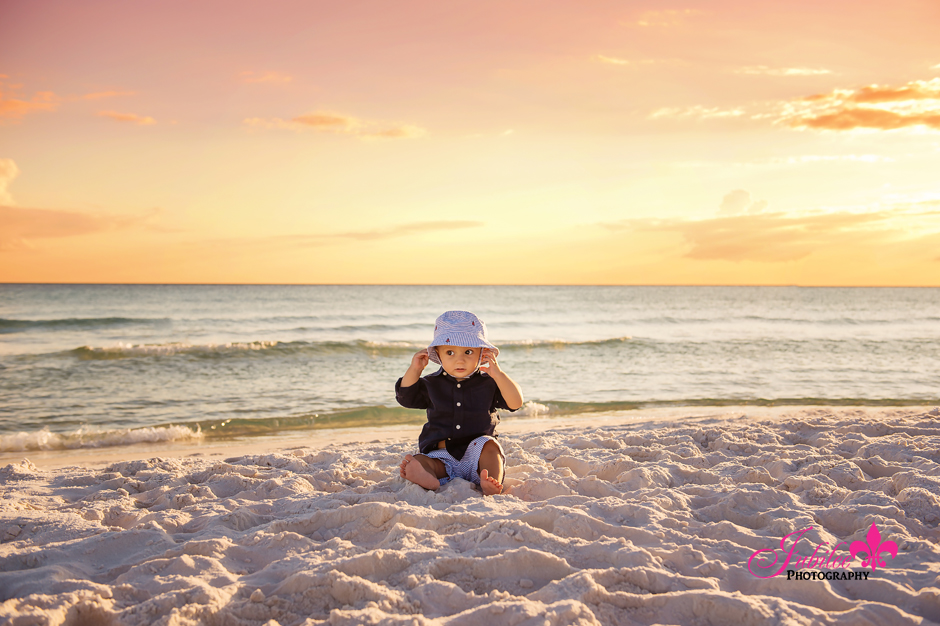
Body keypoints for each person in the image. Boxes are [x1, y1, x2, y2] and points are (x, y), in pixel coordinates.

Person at [396, 310, 524, 495]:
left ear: (483, 353)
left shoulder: (489, 383)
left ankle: (490, 481)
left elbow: (515, 402)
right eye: (450, 352)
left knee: (491, 447)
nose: (460, 359)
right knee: (422, 461)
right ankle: (427, 476)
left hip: (478, 456)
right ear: (438, 354)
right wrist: (414, 370)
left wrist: (498, 374)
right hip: (441, 455)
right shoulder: (431, 384)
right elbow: (405, 398)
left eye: (469, 351)